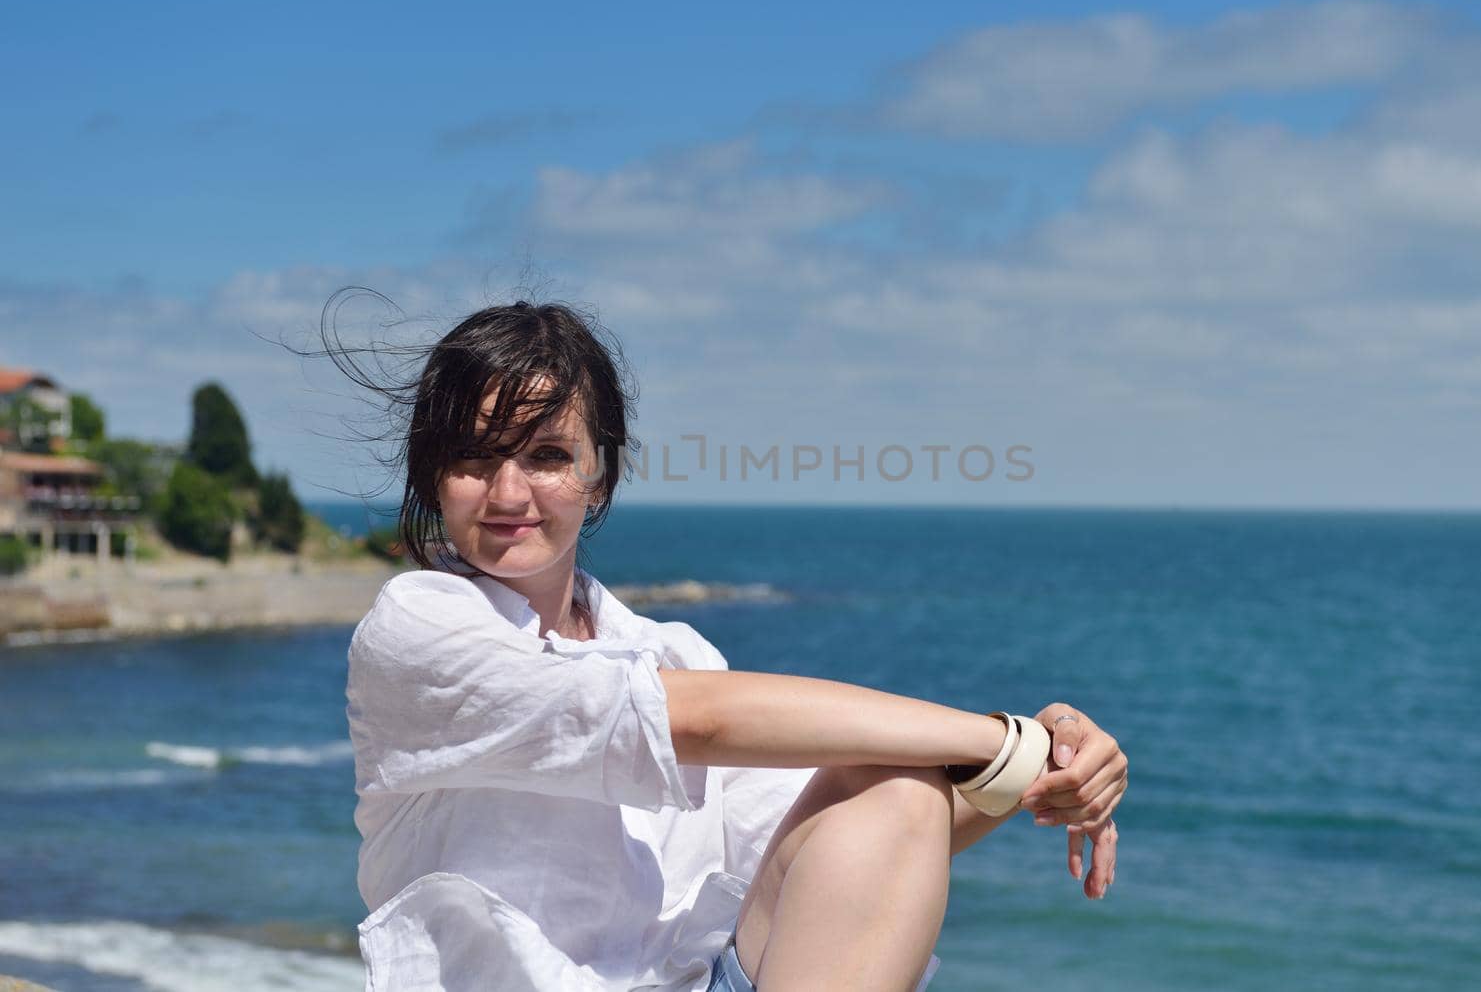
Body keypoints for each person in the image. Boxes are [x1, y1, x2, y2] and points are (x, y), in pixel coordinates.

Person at [340, 297, 1128, 992]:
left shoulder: (674, 652)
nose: (509, 493)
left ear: (601, 476)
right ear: (435, 475)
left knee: (893, 784)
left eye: (547, 455)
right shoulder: (417, 627)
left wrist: (1047, 767)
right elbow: (694, 722)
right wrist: (996, 739)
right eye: (475, 457)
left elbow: (860, 847)